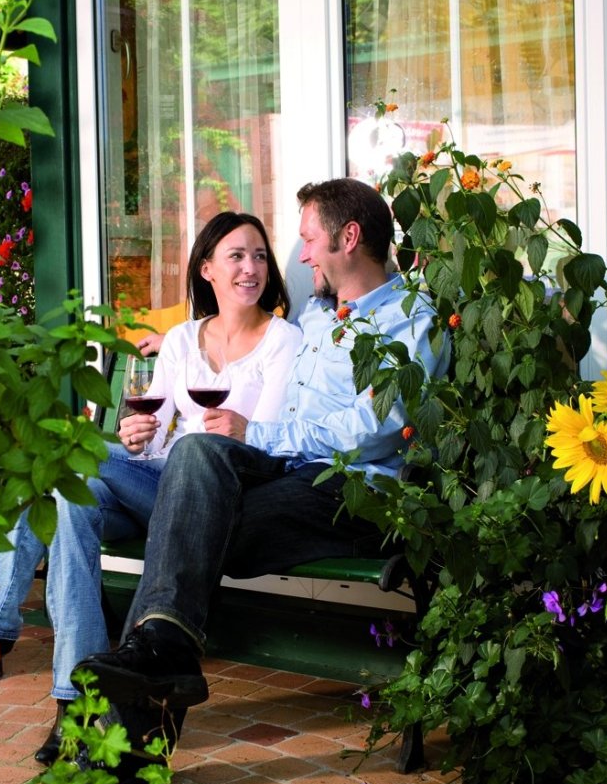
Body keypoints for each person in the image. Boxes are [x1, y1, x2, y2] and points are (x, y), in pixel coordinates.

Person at [74, 177, 444, 751]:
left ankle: (125, 738)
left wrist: (260, 432)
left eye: (309, 240)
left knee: (189, 526)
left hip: (349, 489)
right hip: (285, 476)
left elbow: (374, 429)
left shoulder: (411, 319)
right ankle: (162, 658)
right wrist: (173, 347)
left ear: (349, 239)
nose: (299, 256)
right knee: (195, 457)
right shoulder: (321, 316)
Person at [0, 211, 301, 764]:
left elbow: (261, 449)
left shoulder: (282, 341)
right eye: (237, 257)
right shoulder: (181, 340)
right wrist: (135, 436)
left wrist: (226, 434)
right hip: (153, 486)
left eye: (260, 256)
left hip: (208, 502)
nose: (252, 268)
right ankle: (72, 704)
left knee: (63, 463)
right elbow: (152, 443)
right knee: (68, 503)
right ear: (207, 270)